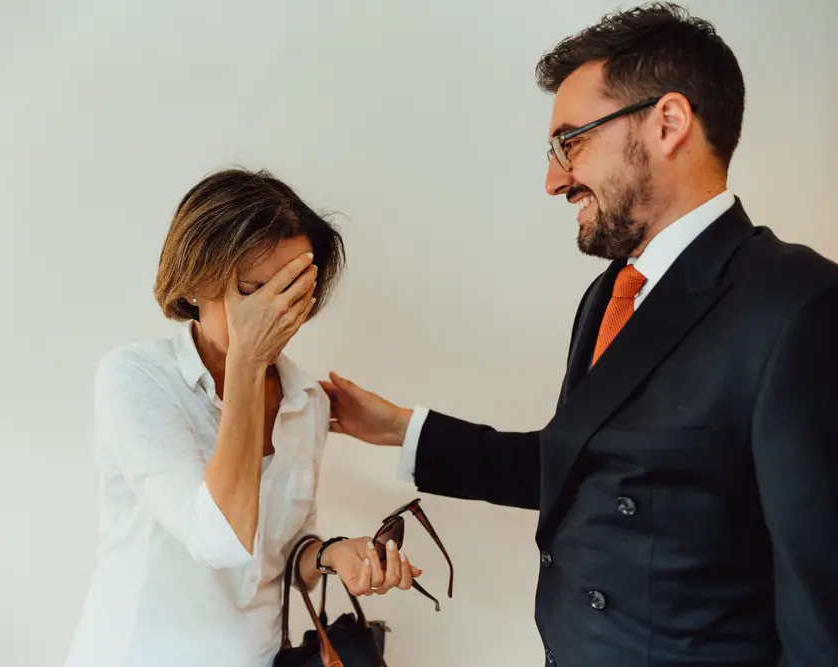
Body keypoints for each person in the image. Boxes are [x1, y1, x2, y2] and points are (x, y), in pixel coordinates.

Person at [322, 4, 838, 666]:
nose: (553, 179)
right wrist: (400, 426)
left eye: (571, 141)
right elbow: (584, 464)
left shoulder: (801, 308)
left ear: (668, 123)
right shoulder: (610, 293)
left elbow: (824, 609)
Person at [62, 168, 421, 667]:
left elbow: (283, 549)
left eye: (292, 290)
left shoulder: (305, 401)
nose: (275, 313)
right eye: (254, 290)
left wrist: (333, 552)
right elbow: (218, 538)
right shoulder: (136, 378)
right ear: (198, 279)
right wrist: (247, 363)